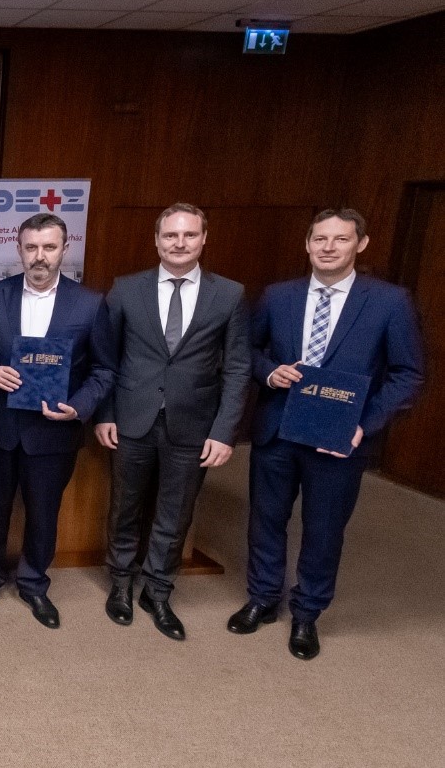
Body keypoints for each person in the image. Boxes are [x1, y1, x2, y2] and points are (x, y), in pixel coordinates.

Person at [230, 209, 424, 660]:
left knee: (323, 529)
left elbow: (407, 374)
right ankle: (262, 598)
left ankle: (307, 613)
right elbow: (249, 351)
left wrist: (364, 425)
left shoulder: (389, 302)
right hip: (278, 429)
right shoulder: (279, 296)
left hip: (339, 437)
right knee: (265, 519)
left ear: (361, 244)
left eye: (340, 239)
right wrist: (269, 371)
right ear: (308, 244)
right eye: (320, 238)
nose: (328, 247)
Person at [95, 202, 250, 641]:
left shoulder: (230, 294)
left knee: (176, 512)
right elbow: (106, 359)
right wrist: (104, 414)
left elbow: (238, 368)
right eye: (170, 236)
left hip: (194, 425)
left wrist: (224, 432)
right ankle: (121, 585)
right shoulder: (126, 290)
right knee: (125, 506)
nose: (179, 244)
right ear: (157, 240)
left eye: (189, 235)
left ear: (204, 238)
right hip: (131, 419)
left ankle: (158, 591)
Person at [0, 213, 114, 628]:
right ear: (19, 249)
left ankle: (33, 584)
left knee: (44, 512)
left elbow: (104, 370)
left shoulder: (89, 303)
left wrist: (79, 406)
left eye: (49, 247)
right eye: (31, 247)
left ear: (65, 249)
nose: (40, 256)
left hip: (54, 430)